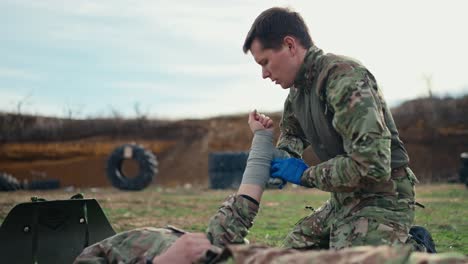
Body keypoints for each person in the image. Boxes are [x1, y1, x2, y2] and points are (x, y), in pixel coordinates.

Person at [74, 112, 465, 264]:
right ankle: (415, 252)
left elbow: (241, 208)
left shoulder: (97, 253)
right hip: (227, 258)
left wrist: (260, 140)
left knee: (290, 243)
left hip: (211, 246)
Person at [242, 7, 425, 251]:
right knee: (291, 253)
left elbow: (372, 166)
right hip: (343, 197)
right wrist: (280, 157)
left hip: (383, 196)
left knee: (348, 258)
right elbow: (293, 135)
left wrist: (305, 175)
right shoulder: (297, 92)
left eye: (265, 62)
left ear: (289, 45)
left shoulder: (344, 79)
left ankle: (413, 248)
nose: (264, 74)